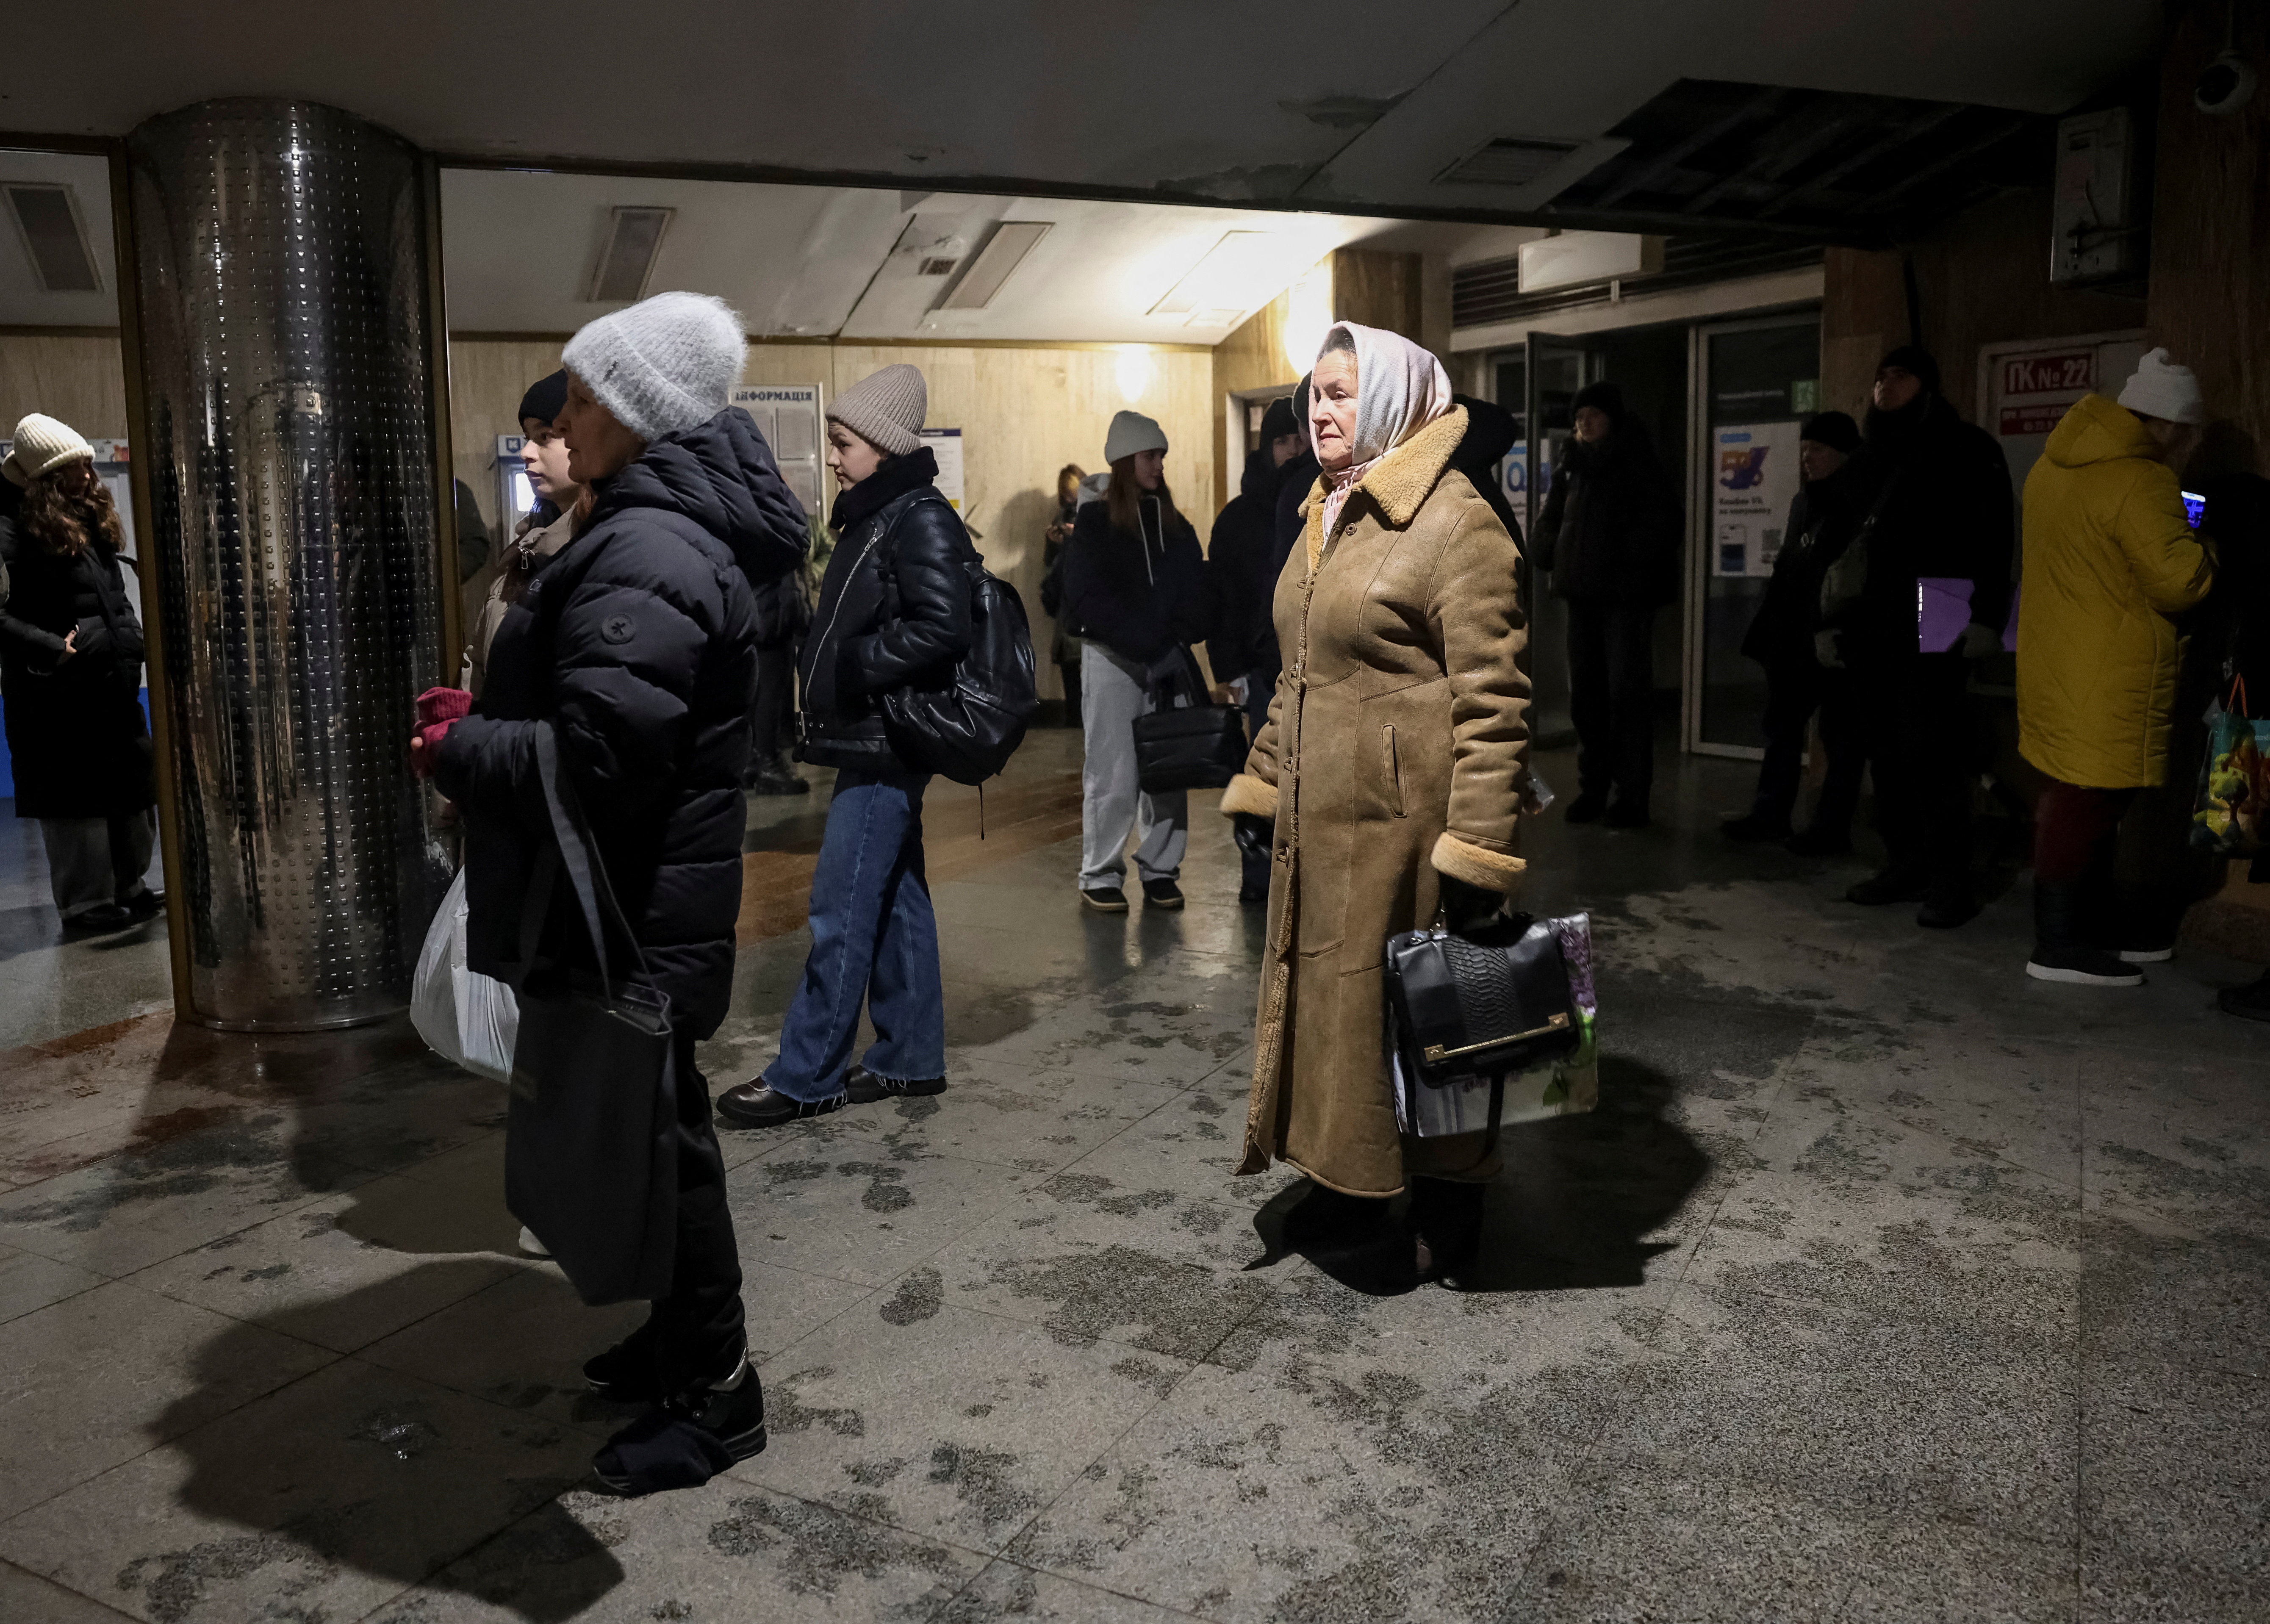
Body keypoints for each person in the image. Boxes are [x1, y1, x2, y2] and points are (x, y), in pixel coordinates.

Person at [424, 291, 793, 1497]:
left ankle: (718, 1397)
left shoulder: (648, 547)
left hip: (630, 908)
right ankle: (679, 1346)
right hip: (632, 904)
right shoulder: (646, 526)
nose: (561, 416)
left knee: (670, 1151)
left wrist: (459, 745)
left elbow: (598, 760)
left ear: (638, 410)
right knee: (651, 1138)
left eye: (582, 393)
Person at [1219, 321, 1531, 1286]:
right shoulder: (1325, 511)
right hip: (1323, 833)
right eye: (1315, 392)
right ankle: (1348, 1180)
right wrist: (1265, 777)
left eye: (1343, 392)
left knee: (1437, 1026)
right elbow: (1298, 675)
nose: (1321, 408)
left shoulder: (1454, 521)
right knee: (1335, 1021)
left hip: (1409, 836)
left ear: (1394, 397)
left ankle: (1450, 1210)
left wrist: (1477, 852)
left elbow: (1497, 703)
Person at [716, 364, 972, 1127]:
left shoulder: (918, 516)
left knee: (841, 903)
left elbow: (941, 626)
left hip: (884, 736)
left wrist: (852, 665)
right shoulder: (878, 512)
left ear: (884, 444)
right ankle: (909, 1055)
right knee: (895, 896)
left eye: (842, 442)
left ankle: (808, 1072)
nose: (832, 456)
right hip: (871, 733)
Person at [2016, 350, 2215, 985]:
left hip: (2059, 661)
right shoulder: (2141, 479)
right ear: (2172, 426)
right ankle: (2056, 944)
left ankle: (2087, 928)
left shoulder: (2052, 465)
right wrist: (2206, 542)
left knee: (2079, 798)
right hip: (2108, 670)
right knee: (2083, 803)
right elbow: (2180, 582)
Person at [1832, 346, 2014, 928]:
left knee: (1931, 752)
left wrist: (1987, 615)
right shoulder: (1865, 457)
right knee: (1884, 754)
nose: (1886, 385)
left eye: (1900, 375)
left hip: (1936, 614)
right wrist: (1831, 620)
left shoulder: (1966, 450)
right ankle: (1903, 863)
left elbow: (1993, 538)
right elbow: (1840, 545)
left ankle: (1948, 879)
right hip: (1872, 625)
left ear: (1927, 386)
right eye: (1880, 375)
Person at [0, 415, 161, 932]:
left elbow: (110, 597)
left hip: (109, 681)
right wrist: (54, 650)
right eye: (76, 467)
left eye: (90, 463)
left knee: (131, 789)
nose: (90, 474)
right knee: (76, 804)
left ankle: (128, 885)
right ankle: (86, 903)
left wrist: (130, 637)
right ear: (48, 475)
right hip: (55, 694)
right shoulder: (10, 525)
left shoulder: (89, 519)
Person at [1061, 409, 1215, 913]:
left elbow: (1195, 587)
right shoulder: (1094, 522)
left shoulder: (1174, 523)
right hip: (1112, 660)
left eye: (1162, 456)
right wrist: (1149, 640)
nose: (1159, 466)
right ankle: (1100, 872)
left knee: (1168, 766)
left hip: (1162, 659)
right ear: (1127, 461)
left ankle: (1161, 868)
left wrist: (1177, 636)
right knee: (1112, 771)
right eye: (1151, 456)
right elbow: (1087, 598)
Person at [1533, 380, 1680, 829]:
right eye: (1579, 418)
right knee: (1589, 699)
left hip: (1623, 601)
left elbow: (1660, 527)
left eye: (1593, 415)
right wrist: (1545, 550)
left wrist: (1625, 568)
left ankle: (1632, 796)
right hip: (1582, 597)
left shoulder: (1637, 464)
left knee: (1625, 699)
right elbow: (1552, 519)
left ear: (1612, 419)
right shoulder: (1571, 468)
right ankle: (1592, 788)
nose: (1584, 423)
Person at [1724, 411, 1867, 846]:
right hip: (1793, 633)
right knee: (1783, 728)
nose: (1808, 458)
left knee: (1839, 736)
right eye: (1805, 450)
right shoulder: (1805, 501)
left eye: (1819, 450)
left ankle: (1829, 827)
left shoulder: (1858, 501)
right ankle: (1772, 814)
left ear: (1843, 454)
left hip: (1835, 634)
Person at [1208, 396, 1303, 903]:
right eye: (1282, 440)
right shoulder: (1241, 517)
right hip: (1262, 667)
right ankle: (1259, 878)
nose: (1293, 449)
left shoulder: (1321, 499)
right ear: (1267, 448)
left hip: (1310, 663)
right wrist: (1229, 668)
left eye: (1298, 438)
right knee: (1261, 773)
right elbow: (1225, 597)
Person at [464, 371, 583, 697]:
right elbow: (479, 663)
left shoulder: (603, 548)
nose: (526, 451)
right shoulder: (528, 545)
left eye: (545, 436)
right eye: (527, 437)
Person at [745, 532, 812, 796]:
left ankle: (750, 762)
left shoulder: (739, 512)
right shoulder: (768, 516)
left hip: (754, 610)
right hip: (772, 615)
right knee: (770, 695)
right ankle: (768, 764)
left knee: (754, 693)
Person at [1039, 463, 1086, 723]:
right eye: (1066, 496)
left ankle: (1081, 722)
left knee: (1086, 670)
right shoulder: (1062, 517)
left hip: (1088, 607)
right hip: (1067, 607)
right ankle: (1074, 720)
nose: (1070, 501)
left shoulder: (1097, 517)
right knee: (1070, 668)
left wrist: (1076, 537)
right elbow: (1050, 564)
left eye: (1073, 494)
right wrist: (1055, 543)